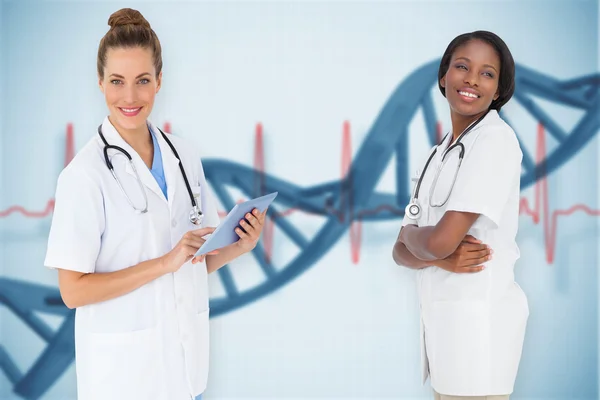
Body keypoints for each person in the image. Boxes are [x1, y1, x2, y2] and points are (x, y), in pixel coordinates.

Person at [44, 8, 267, 400]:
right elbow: (72, 292)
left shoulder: (183, 156)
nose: (129, 97)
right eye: (117, 81)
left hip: (185, 372)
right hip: (123, 378)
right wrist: (163, 263)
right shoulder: (84, 176)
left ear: (159, 82)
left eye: (142, 81)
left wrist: (238, 246)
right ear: (100, 83)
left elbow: (194, 263)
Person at [392, 31, 529, 400]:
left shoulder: (495, 141)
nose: (471, 79)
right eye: (462, 67)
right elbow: (398, 253)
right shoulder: (437, 153)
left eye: (487, 74)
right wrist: (431, 251)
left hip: (480, 331)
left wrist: (418, 240)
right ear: (443, 76)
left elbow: (433, 241)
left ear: (499, 90)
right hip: (445, 330)